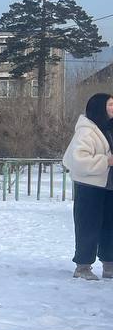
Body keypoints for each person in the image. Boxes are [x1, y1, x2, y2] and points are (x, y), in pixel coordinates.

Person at [61, 92, 113, 280]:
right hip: (90, 187)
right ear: (99, 108)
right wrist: (106, 161)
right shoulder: (86, 131)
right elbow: (76, 160)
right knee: (88, 226)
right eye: (109, 105)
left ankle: (109, 265)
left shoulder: (110, 128)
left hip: (110, 186)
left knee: (110, 227)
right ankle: (83, 266)